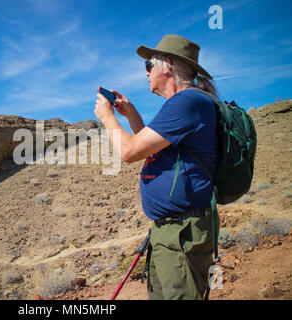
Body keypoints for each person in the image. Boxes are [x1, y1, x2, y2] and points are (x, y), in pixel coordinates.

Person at [94, 34, 219, 300]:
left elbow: (129, 152)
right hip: (171, 232)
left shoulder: (187, 103)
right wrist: (132, 115)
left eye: (149, 64)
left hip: (182, 234)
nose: (147, 72)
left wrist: (107, 119)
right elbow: (149, 149)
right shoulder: (184, 104)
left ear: (168, 64)